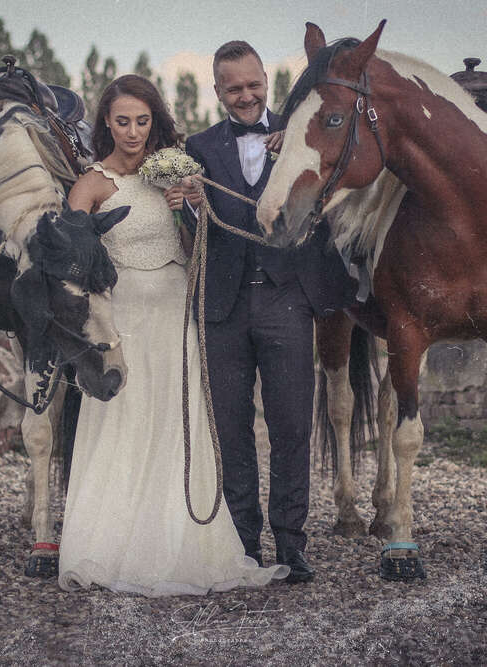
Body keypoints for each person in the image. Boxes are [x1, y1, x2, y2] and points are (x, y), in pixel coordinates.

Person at [58, 74, 289, 596]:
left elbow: (197, 244)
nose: (133, 132)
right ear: (106, 124)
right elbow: (72, 260)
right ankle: (116, 542)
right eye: (122, 121)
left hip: (176, 312)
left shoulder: (178, 171)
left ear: (154, 120)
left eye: (142, 121)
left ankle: (181, 540)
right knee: (126, 422)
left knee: (178, 422)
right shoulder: (91, 184)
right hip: (124, 320)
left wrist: (190, 206)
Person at [173, 42, 355, 583]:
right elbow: (194, 234)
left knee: (292, 427)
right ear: (218, 92)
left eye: (253, 85)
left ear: (266, 83)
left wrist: (295, 152)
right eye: (234, 89)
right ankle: (243, 543)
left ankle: (292, 544)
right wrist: (188, 204)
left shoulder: (300, 133)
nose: (246, 96)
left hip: (285, 298)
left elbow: (329, 196)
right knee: (231, 429)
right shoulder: (198, 148)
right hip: (223, 306)